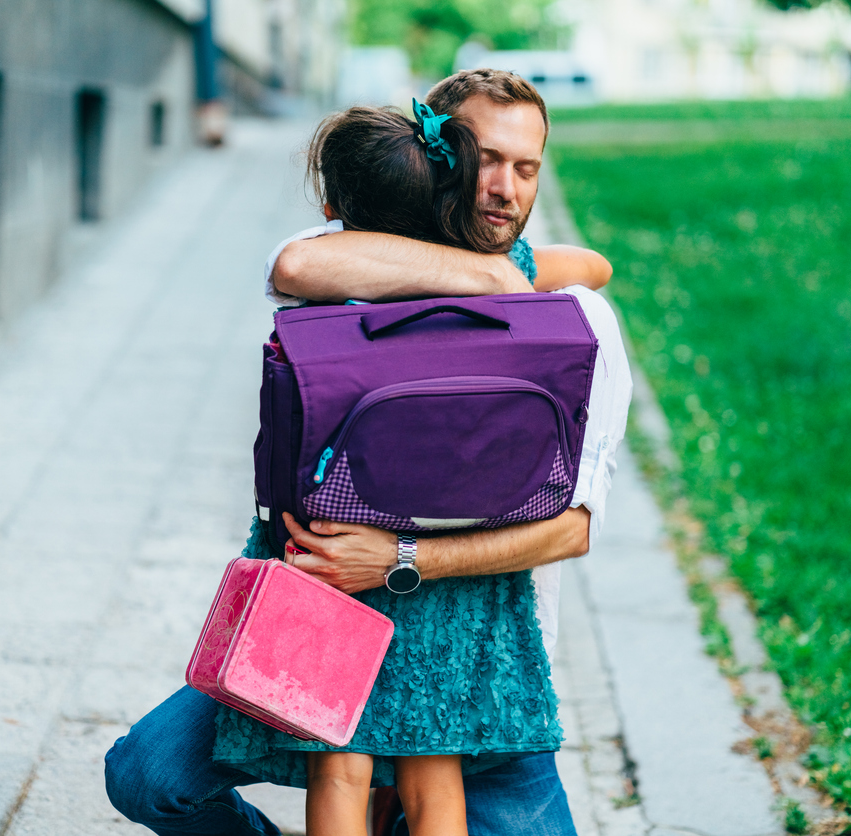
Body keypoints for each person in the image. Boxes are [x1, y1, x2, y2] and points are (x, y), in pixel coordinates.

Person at [104, 69, 633, 836]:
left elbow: (574, 529)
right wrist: (493, 276)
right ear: (435, 164)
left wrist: (397, 557)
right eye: (482, 158)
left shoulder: (579, 324)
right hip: (327, 613)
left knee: (379, 786)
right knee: (150, 777)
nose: (503, 189)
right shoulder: (343, 256)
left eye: (525, 168)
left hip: (482, 646)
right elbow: (294, 263)